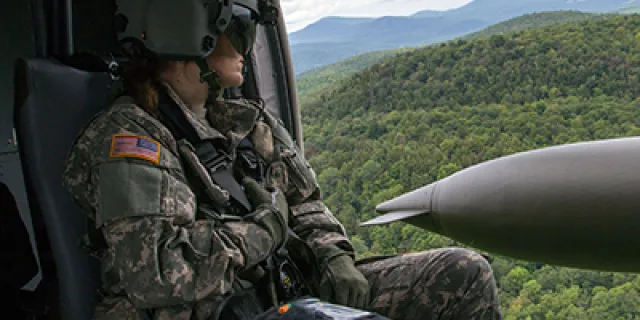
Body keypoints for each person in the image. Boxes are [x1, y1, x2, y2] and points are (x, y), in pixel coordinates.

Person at [62, 0, 503, 319]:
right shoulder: (130, 139)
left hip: (284, 290)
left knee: (461, 274)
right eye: (235, 26)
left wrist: (334, 256)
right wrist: (263, 230)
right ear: (184, 35)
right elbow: (158, 273)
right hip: (212, 309)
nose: (243, 44)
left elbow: (306, 201)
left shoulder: (245, 121)